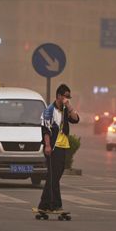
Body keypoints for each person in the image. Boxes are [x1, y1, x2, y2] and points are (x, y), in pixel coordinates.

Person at [37, 84, 80, 212]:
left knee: (54, 176)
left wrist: (69, 106)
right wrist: (48, 145)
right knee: (53, 177)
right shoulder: (49, 111)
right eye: (65, 97)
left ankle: (44, 205)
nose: (67, 99)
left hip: (63, 147)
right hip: (53, 148)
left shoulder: (66, 110)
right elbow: (45, 130)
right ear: (59, 96)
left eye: (69, 97)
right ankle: (56, 204)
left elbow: (76, 119)